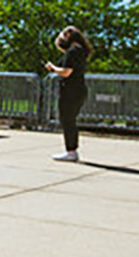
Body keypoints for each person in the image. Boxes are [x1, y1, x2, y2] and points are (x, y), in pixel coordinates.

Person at [44, 26, 93, 162]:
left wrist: (53, 68)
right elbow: (66, 57)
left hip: (71, 90)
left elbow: (66, 72)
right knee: (69, 119)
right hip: (78, 89)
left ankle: (71, 151)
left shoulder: (73, 51)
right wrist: (58, 43)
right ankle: (71, 150)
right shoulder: (79, 51)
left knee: (67, 120)